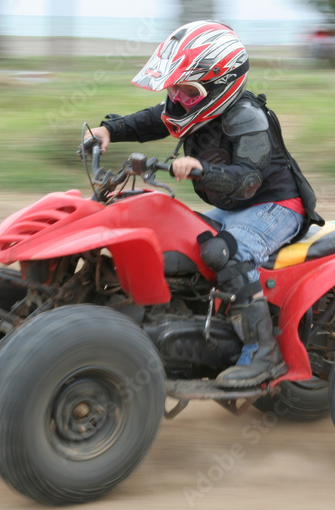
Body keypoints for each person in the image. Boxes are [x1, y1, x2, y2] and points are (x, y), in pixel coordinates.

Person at [87, 20, 322, 388]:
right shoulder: (191, 108)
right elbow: (155, 119)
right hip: (233, 203)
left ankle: (263, 354)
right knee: (175, 244)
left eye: (187, 91)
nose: (178, 99)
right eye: (174, 89)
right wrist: (109, 130)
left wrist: (202, 169)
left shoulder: (247, 118)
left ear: (220, 84)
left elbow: (248, 179)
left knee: (223, 252)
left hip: (275, 205)